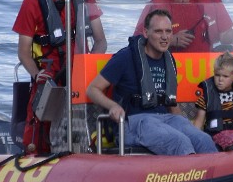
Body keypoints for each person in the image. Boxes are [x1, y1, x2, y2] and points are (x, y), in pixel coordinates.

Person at [12, 0, 107, 152]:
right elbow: (23, 51)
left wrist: (89, 68)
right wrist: (37, 75)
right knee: (37, 138)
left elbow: (100, 40)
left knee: (86, 133)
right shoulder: (32, 3)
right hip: (49, 79)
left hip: (81, 79)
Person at [87, 9, 218, 155]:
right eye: (158, 31)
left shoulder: (169, 60)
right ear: (145, 32)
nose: (164, 37)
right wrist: (113, 106)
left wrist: (186, 124)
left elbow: (171, 104)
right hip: (135, 122)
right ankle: (192, 175)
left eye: (168, 31)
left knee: (203, 140)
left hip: (165, 119)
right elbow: (93, 89)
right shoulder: (125, 57)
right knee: (179, 142)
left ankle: (214, 175)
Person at [193, 52, 233, 151]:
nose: (220, 79)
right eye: (217, 75)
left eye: (225, 76)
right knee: (229, 139)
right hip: (217, 133)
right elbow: (198, 122)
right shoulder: (206, 96)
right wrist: (194, 141)